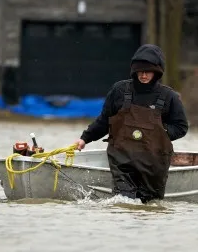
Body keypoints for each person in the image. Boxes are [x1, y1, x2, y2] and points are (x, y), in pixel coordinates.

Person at [74, 44, 189, 203]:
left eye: (147, 71)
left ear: (157, 72)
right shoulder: (119, 90)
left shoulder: (169, 97)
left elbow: (181, 127)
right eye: (140, 71)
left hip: (154, 165)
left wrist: (161, 133)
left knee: (149, 206)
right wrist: (85, 138)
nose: (143, 75)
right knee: (123, 202)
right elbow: (104, 121)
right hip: (123, 162)